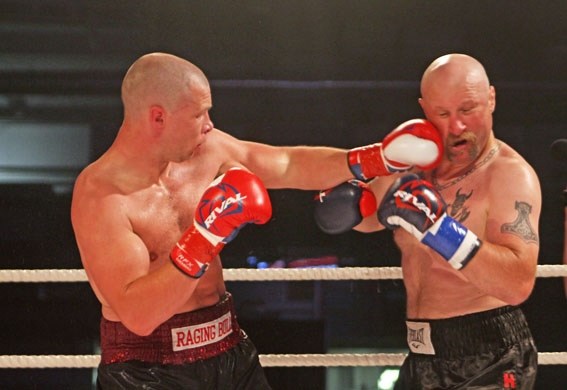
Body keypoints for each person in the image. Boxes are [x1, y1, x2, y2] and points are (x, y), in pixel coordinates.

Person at [70, 52, 444, 389]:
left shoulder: (207, 150)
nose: (209, 125)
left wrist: (376, 159)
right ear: (157, 117)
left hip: (228, 350)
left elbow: (286, 164)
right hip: (146, 372)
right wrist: (205, 235)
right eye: (198, 113)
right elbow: (139, 315)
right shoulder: (101, 195)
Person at [315, 53, 541, 389]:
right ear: (424, 108)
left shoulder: (509, 176)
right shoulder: (416, 163)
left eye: (468, 110)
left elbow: (517, 284)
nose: (457, 126)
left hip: (490, 356)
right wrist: (351, 194)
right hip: (422, 355)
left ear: (491, 98)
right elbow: (365, 217)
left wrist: (439, 229)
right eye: (443, 113)